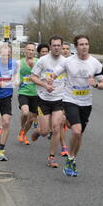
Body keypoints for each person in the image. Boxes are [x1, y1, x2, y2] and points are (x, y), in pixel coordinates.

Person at [47, 34, 103, 177]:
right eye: (81, 44)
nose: (84, 47)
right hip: (70, 100)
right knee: (76, 130)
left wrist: (97, 84)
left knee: (79, 134)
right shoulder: (68, 62)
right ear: (76, 46)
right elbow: (53, 75)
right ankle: (70, 157)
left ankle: (72, 159)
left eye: (86, 44)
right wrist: (49, 81)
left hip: (86, 103)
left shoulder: (95, 63)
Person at [30, 36, 67, 168]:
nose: (57, 48)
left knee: (57, 127)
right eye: (54, 45)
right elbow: (33, 77)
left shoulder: (66, 62)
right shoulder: (43, 61)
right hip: (43, 99)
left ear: (62, 46)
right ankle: (38, 131)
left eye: (59, 45)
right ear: (50, 47)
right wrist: (45, 85)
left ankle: (52, 157)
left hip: (59, 99)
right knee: (45, 131)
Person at [16, 43, 39, 145]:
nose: (30, 52)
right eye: (28, 50)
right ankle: (22, 128)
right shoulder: (19, 63)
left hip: (35, 94)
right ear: (25, 51)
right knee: (25, 113)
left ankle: (23, 133)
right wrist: (19, 81)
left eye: (32, 50)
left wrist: (34, 67)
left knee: (31, 119)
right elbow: (15, 78)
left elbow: (43, 76)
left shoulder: (39, 62)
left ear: (35, 52)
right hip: (23, 92)